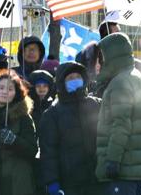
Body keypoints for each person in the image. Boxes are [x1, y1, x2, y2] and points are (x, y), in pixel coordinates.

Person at [95, 33, 141, 195]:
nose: (100, 61)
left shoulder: (120, 82)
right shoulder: (135, 75)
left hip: (121, 169)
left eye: (103, 56)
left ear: (112, 56)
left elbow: (121, 124)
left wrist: (112, 159)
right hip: (133, 168)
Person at [39, 62, 103, 195]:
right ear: (62, 82)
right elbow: (48, 152)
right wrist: (52, 182)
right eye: (70, 78)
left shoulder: (96, 104)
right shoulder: (52, 114)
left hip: (98, 180)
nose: (75, 80)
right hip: (69, 183)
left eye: (77, 77)